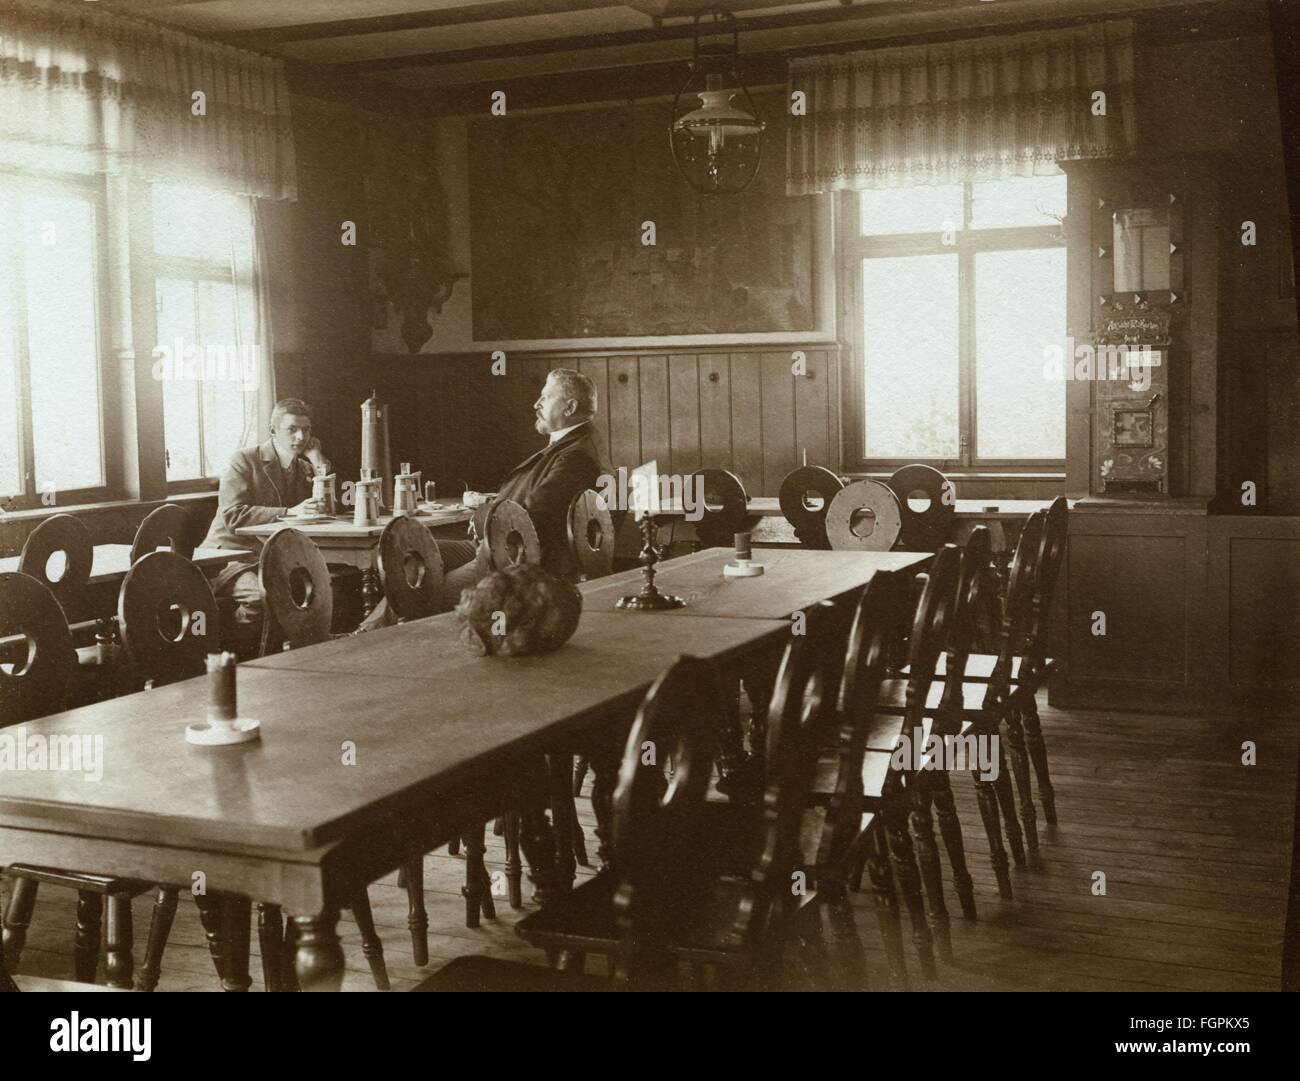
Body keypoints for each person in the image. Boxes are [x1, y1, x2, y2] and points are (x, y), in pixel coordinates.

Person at [436, 367, 607, 609]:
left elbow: (529, 517)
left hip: (518, 557)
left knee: (430, 590)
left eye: (545, 397)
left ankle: (372, 635)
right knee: (410, 556)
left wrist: (481, 515)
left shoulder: (576, 455)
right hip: (496, 543)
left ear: (569, 408)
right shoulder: (570, 444)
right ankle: (369, 631)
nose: (535, 404)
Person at [203, 398, 330, 657]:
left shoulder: (304, 467)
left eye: (306, 430)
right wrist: (288, 512)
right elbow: (233, 515)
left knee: (320, 590)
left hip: (273, 559)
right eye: (292, 429)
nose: (300, 436)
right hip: (228, 557)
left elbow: (328, 507)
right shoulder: (244, 460)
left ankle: (284, 655)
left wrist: (318, 462)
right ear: (273, 430)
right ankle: (235, 653)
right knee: (260, 598)